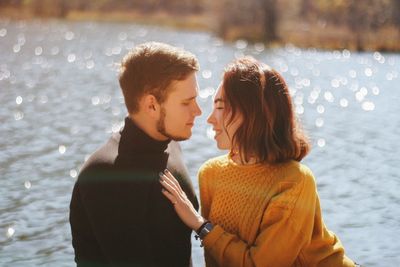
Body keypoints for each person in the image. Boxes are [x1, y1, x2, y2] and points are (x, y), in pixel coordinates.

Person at [159, 57, 359, 266]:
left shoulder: (295, 182)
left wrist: (200, 225)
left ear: (251, 113)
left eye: (220, 107)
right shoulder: (210, 173)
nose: (209, 118)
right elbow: (216, 258)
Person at [69, 42, 202, 267]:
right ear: (152, 105)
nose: (197, 111)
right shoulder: (107, 175)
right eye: (186, 102)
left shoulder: (169, 145)